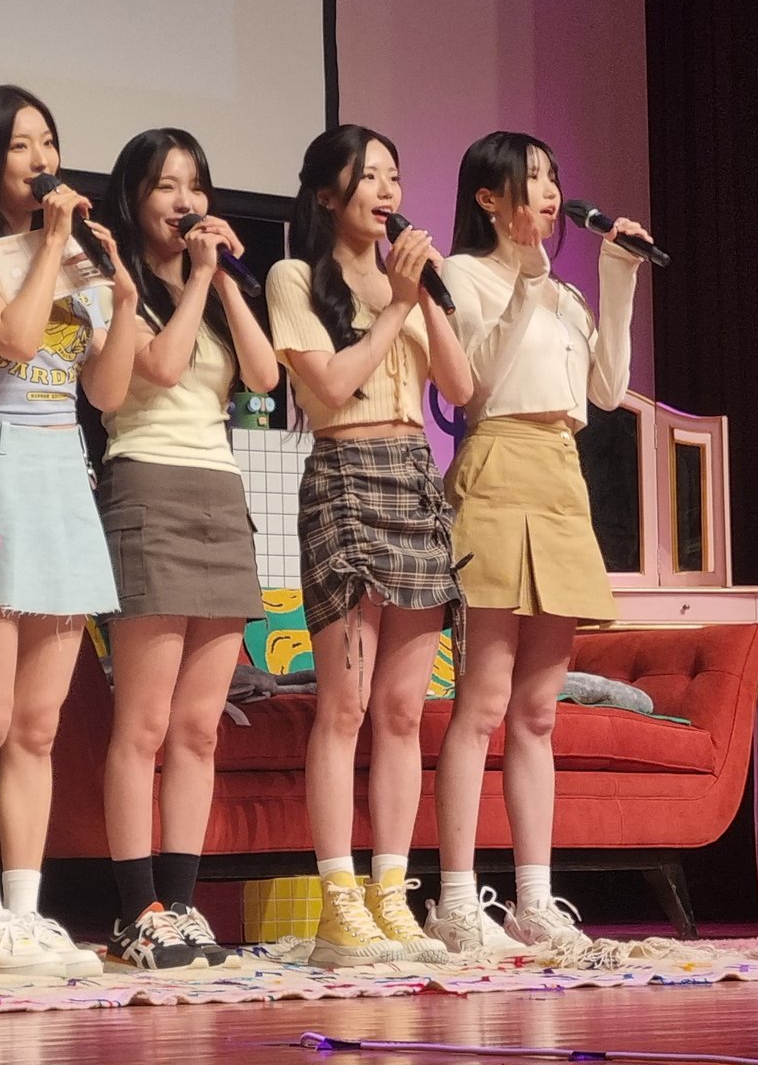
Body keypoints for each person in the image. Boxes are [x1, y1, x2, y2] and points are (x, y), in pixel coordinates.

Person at [0, 84, 139, 978]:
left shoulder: (70, 257)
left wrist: (120, 294)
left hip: (62, 477)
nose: (42, 158)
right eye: (20, 145)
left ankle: (26, 909)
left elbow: (108, 393)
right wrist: (52, 248)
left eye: (48, 141)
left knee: (40, 727)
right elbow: (12, 337)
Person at [425, 132, 648, 954]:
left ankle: (534, 901)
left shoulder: (565, 293)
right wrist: (524, 281)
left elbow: (609, 390)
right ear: (489, 197)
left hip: (560, 474)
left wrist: (617, 277)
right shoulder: (462, 274)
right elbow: (474, 382)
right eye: (532, 179)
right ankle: (455, 900)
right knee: (482, 703)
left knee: (538, 713)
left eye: (554, 177)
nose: (550, 192)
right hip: (496, 461)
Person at [264, 124, 473, 968]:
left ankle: (393, 896)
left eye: (394, 175)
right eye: (368, 177)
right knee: (345, 706)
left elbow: (459, 387)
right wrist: (393, 305)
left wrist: (423, 297)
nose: (388, 191)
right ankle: (339, 906)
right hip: (345, 475)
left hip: (415, 478)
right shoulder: (293, 277)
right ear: (327, 194)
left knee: (402, 711)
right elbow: (333, 386)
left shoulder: (410, 282)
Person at [95, 128, 280, 970]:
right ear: (135, 198)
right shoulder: (115, 284)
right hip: (146, 485)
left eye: (195, 185)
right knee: (143, 724)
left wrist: (225, 279)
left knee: (199, 729)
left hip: (219, 493)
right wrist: (200, 277)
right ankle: (137, 910)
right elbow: (162, 370)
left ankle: (182, 902)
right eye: (166, 186)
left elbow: (265, 377)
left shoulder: (213, 284)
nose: (184, 200)